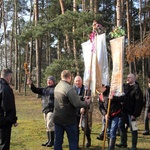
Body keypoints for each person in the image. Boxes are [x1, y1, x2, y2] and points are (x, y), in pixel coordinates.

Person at [53, 70, 91, 150]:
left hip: (57, 118)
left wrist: (82, 98)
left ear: (61, 77)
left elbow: (68, 98)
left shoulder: (57, 86)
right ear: (69, 77)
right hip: (68, 119)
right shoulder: (69, 88)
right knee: (73, 141)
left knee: (58, 141)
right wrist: (86, 103)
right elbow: (77, 103)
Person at [115, 73, 143, 150]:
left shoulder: (137, 89)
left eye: (129, 77)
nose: (127, 78)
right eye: (127, 77)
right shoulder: (126, 87)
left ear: (134, 79)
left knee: (134, 129)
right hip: (124, 111)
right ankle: (123, 142)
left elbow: (139, 103)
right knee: (120, 125)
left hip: (132, 113)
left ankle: (134, 146)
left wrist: (135, 114)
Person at [27, 76, 55, 147]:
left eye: (50, 80)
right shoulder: (44, 89)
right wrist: (31, 84)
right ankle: (48, 140)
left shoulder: (55, 89)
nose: (48, 81)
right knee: (47, 126)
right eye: (48, 80)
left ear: (53, 81)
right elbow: (35, 90)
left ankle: (52, 141)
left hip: (51, 110)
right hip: (45, 109)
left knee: (50, 125)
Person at [99, 85, 123, 150]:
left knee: (113, 131)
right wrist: (105, 114)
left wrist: (113, 98)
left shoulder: (112, 91)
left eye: (101, 87)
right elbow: (101, 107)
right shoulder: (101, 95)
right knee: (108, 131)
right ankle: (110, 146)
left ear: (104, 87)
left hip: (115, 114)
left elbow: (122, 98)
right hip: (107, 116)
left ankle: (111, 148)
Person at [0, 68, 18, 150]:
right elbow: (8, 107)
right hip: (3, 121)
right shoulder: (6, 89)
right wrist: (13, 120)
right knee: (4, 144)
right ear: (8, 77)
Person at [73, 75, 91, 148]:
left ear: (82, 81)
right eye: (76, 81)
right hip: (75, 111)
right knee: (75, 128)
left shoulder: (86, 89)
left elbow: (88, 99)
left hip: (84, 110)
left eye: (79, 81)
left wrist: (83, 107)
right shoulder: (72, 89)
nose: (78, 82)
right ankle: (76, 144)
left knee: (84, 127)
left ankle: (88, 139)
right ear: (74, 82)